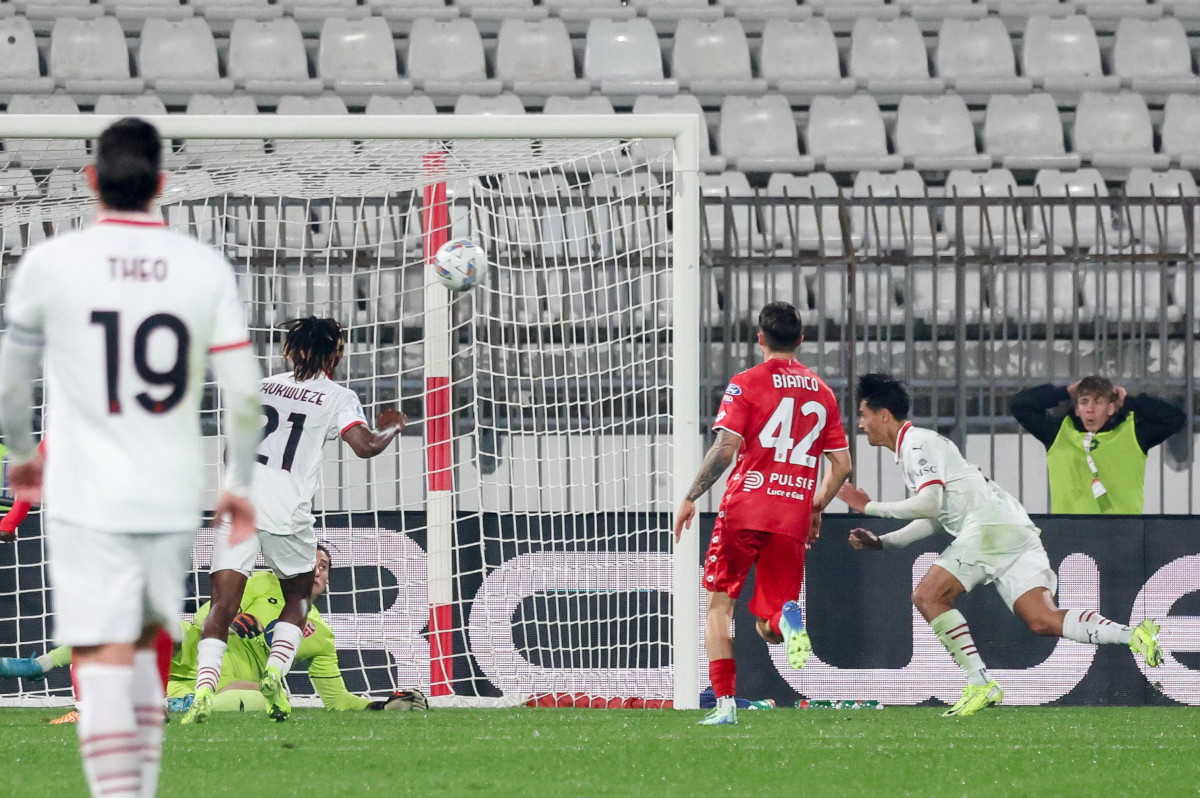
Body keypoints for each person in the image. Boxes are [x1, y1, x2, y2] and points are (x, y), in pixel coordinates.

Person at [0, 118, 261, 798]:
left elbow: (10, 385)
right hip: (166, 486)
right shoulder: (202, 267)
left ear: (91, 181)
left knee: (104, 646)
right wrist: (235, 484)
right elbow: (242, 392)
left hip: (87, 490)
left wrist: (26, 457)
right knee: (147, 638)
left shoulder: (51, 265)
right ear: (162, 187)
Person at [838, 373, 1164, 718]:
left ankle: (979, 681)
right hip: (1010, 526)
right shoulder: (922, 445)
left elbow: (931, 504)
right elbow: (937, 518)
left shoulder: (916, 444)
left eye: (864, 414)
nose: (861, 424)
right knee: (1042, 619)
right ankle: (1134, 635)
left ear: (884, 415)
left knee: (928, 596)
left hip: (989, 527)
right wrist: (885, 543)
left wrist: (870, 507)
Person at [183, 316, 404, 724]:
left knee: (222, 605)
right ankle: (274, 674)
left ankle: (202, 694)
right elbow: (365, 446)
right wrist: (390, 427)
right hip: (286, 508)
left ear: (290, 349)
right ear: (336, 353)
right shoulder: (337, 396)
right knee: (298, 598)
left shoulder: (263, 387)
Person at [673, 302, 853, 726]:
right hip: (792, 513)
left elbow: (724, 450)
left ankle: (726, 706)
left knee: (720, 607)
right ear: (801, 341)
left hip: (746, 508)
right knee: (770, 625)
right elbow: (842, 466)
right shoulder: (822, 392)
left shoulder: (746, 384)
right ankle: (788, 618)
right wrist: (815, 506)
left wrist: (690, 496)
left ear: (760, 338)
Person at [5, 544, 428, 715]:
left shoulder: (321, 634)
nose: (317, 568)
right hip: (187, 657)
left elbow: (336, 700)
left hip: (224, 691)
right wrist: (229, 619)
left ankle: (156, 708)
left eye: (325, 566)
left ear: (329, 580)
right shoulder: (258, 582)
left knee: (273, 699)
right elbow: (214, 614)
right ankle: (32, 666)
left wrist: (379, 706)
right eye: (312, 560)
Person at [1011, 377, 1186, 514]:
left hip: (1122, 535)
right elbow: (1019, 405)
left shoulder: (1132, 433)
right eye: (1084, 401)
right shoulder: (1058, 432)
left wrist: (1130, 402)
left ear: (1111, 408)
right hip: (1071, 535)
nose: (1090, 409)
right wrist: (1064, 392)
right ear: (1077, 409)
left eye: (1098, 402)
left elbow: (1176, 418)